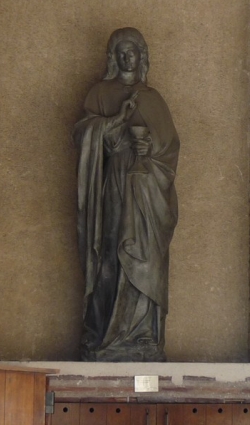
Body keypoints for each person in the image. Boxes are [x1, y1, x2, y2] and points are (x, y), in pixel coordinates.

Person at [74, 28, 179, 362]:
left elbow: (171, 148)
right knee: (112, 253)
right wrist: (115, 123)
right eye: (119, 51)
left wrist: (150, 149)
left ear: (142, 55)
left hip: (147, 188)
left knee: (147, 255)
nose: (126, 56)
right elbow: (83, 136)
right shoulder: (101, 93)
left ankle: (144, 335)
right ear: (112, 57)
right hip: (116, 186)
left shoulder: (154, 98)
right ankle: (108, 335)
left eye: (132, 50)